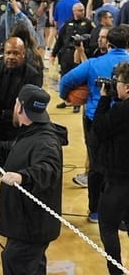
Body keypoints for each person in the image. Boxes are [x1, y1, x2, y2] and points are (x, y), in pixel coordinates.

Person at [0, 85, 66, 275]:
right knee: (32, 266)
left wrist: (23, 176)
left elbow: (49, 167)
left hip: (31, 226)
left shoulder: (46, 140)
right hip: (26, 224)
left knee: (14, 260)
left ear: (19, 107)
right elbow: (21, 148)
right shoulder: (33, 130)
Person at [60, 25, 129, 224]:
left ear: (108, 44)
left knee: (96, 166)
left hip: (96, 120)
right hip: (125, 119)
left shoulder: (93, 64)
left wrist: (68, 98)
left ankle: (95, 211)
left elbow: (66, 81)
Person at [0, 37, 43, 224]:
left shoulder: (32, 75)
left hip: (16, 134)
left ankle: (16, 219)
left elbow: (30, 110)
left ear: (23, 54)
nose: (10, 57)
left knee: (14, 181)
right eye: (8, 52)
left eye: (15, 53)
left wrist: (0, 113)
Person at [93, 62, 129, 275]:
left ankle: (115, 271)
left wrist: (105, 98)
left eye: (119, 82)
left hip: (119, 180)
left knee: (108, 227)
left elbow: (99, 128)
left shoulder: (123, 110)